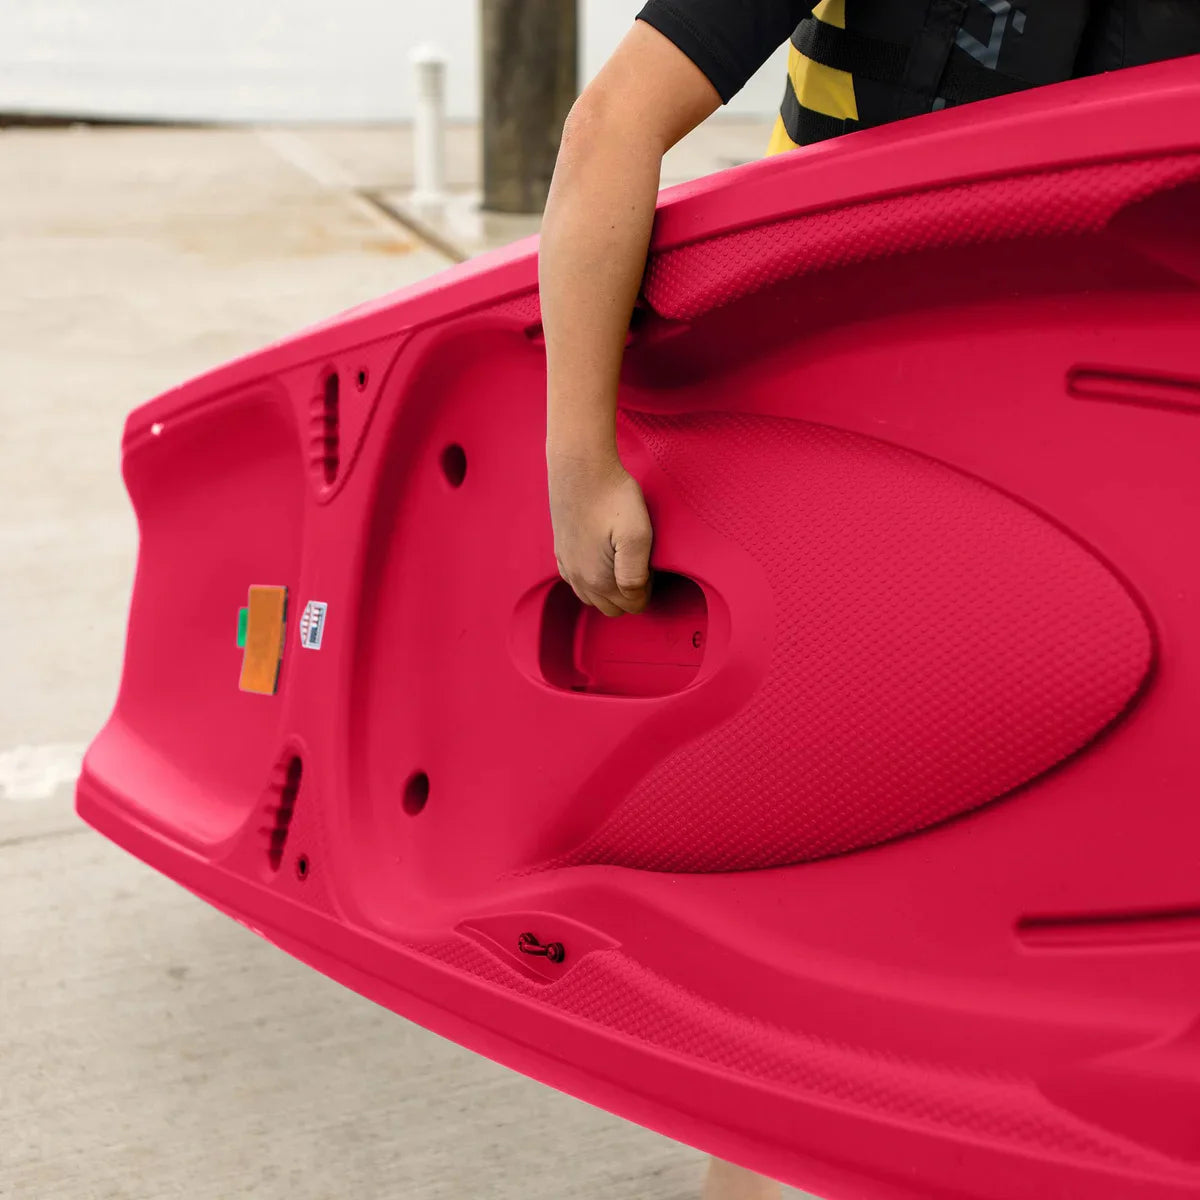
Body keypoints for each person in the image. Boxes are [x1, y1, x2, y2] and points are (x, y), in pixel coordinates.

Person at [538, 3, 1200, 1196]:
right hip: (906, 452)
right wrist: (581, 460)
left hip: (1033, 449)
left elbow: (609, 125)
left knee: (902, 944)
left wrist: (583, 459)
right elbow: (614, 125)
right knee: (867, 921)